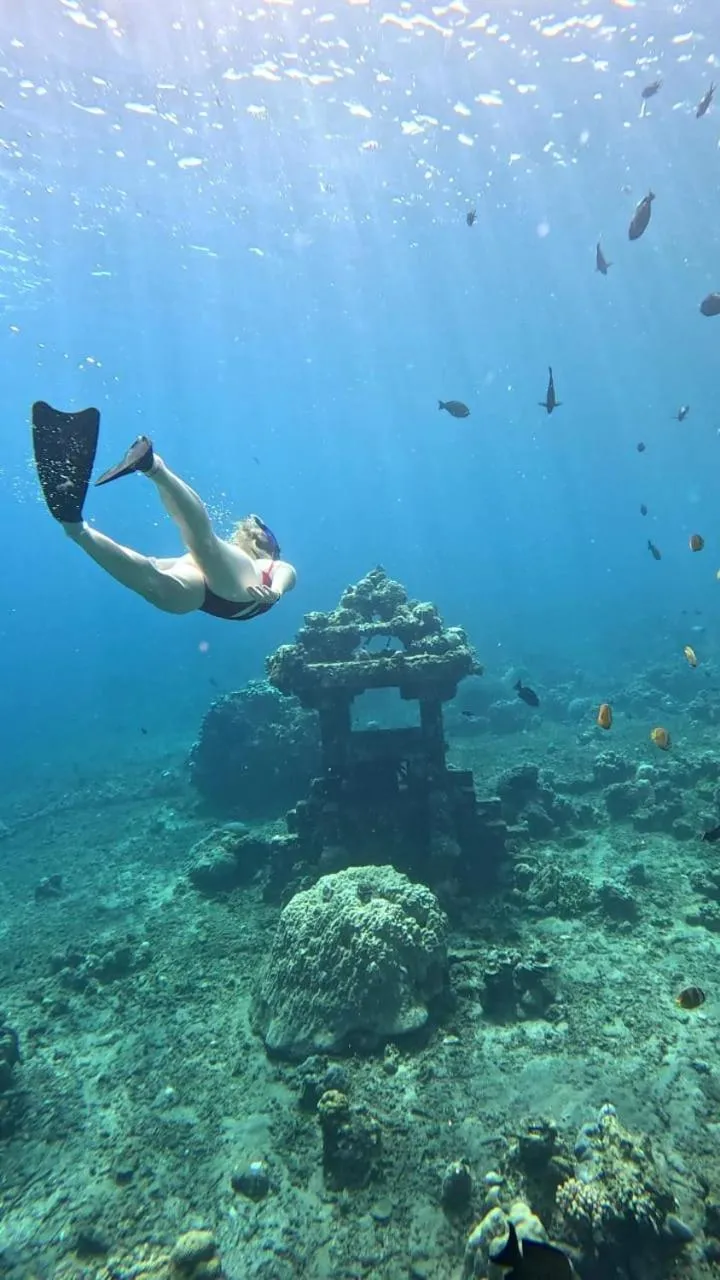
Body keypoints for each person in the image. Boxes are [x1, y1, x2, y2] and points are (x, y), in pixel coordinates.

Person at [30, 401, 296, 620]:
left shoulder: (268, 565)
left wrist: (275, 591)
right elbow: (152, 565)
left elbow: (286, 575)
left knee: (171, 566)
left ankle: (80, 527)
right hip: (223, 597)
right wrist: (275, 592)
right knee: (169, 568)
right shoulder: (245, 562)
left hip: (234, 594)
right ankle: (78, 528)